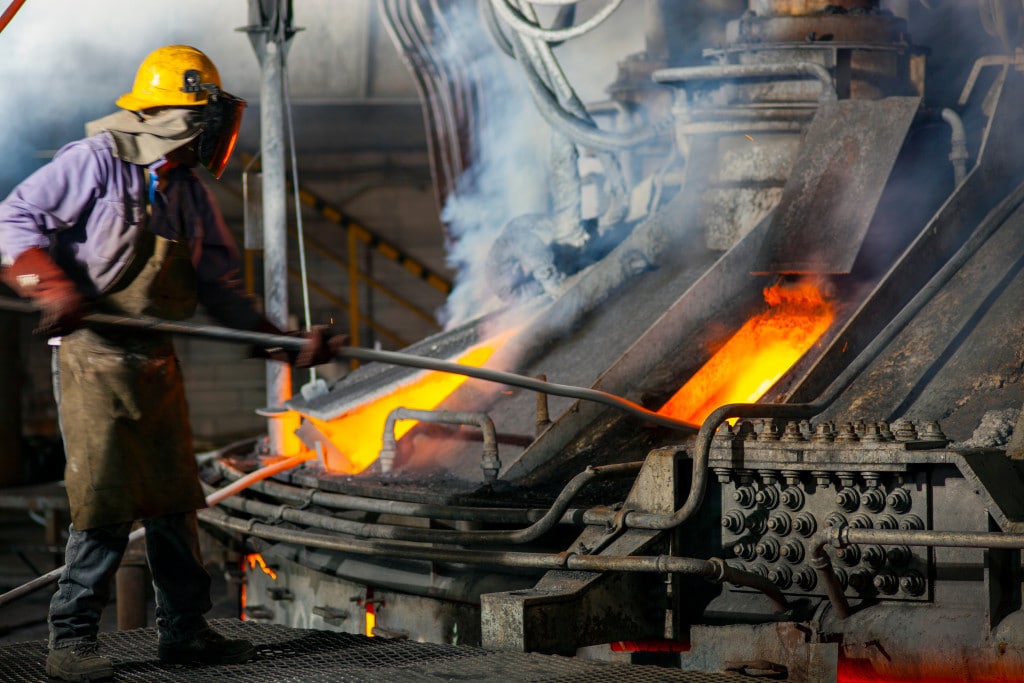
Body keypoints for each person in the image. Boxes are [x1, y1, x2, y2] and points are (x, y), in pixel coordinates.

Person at [0, 45, 332, 681]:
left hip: (155, 362)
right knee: (105, 501)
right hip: (94, 359)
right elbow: (16, 219)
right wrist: (50, 286)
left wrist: (286, 343)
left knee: (176, 502)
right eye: (205, 118)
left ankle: (184, 632)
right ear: (172, 115)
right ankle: (70, 641)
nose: (213, 134)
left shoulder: (184, 190)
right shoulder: (97, 162)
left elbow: (220, 289)